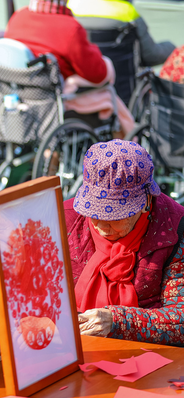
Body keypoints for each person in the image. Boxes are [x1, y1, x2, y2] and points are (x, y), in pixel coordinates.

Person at [68, 140, 184, 345]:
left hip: (149, 354)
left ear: (146, 202)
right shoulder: (66, 219)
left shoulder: (174, 230)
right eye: (93, 212)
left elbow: (180, 318)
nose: (101, 226)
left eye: (114, 216)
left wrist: (118, 321)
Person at [4, 0, 107, 84]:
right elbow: (97, 75)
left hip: (20, 91)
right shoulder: (70, 28)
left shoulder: (17, 17)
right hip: (57, 95)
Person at [68, 0, 175, 69]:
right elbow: (151, 56)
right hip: (123, 92)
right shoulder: (128, 12)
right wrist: (173, 48)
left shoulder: (69, 8)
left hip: (76, 91)